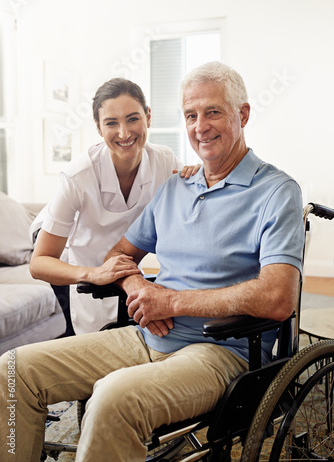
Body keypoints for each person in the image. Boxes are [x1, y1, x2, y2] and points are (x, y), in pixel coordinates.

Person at [0, 61, 305, 462]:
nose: (200, 127)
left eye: (213, 112)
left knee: (112, 398)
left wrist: (172, 302)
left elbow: (278, 298)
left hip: (221, 351)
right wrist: (140, 287)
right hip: (146, 335)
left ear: (242, 114)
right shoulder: (176, 187)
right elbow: (119, 255)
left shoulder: (277, 191)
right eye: (191, 115)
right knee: (14, 369)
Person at [29, 78, 199, 335]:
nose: (124, 132)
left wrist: (197, 178)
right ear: (98, 127)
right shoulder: (79, 175)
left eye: (133, 119)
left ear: (148, 117)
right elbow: (39, 263)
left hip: (121, 256)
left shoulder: (164, 161)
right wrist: (92, 273)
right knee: (87, 339)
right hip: (67, 257)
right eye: (111, 122)